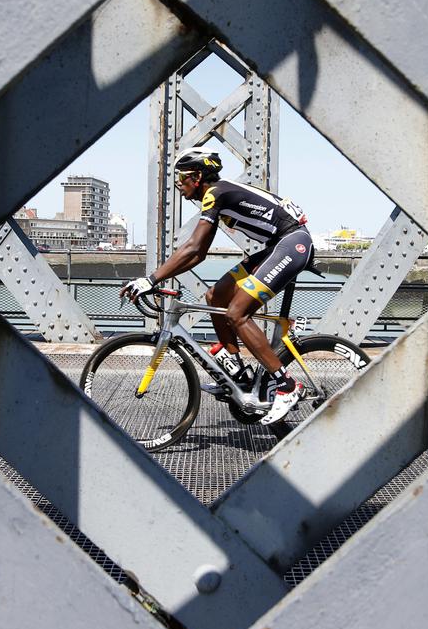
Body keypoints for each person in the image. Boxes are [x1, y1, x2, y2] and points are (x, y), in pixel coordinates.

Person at [120, 147, 313, 425]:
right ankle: (238, 372)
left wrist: (150, 280)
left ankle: (286, 385)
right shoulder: (217, 196)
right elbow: (199, 255)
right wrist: (157, 278)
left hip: (293, 243)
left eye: (182, 178)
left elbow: (193, 247)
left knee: (237, 313)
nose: (179, 184)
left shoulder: (215, 194)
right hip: (278, 245)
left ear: (197, 177)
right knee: (216, 295)